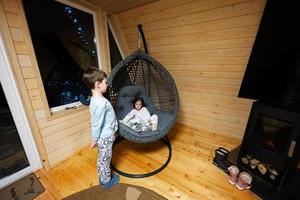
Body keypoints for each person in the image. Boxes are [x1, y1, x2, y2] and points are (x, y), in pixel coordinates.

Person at [82, 67, 119, 189]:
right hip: (106, 137)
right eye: (105, 82)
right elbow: (97, 124)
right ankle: (106, 182)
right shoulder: (101, 103)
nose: (107, 85)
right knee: (105, 159)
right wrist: (94, 139)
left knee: (102, 157)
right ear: (98, 84)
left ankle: (102, 175)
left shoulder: (94, 100)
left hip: (103, 137)